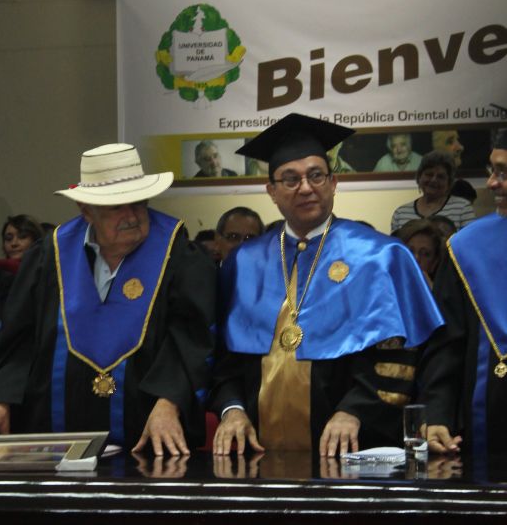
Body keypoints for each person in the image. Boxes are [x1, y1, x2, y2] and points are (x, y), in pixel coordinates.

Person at [212, 114, 443, 458]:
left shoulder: (380, 256)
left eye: (316, 175)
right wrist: (232, 409)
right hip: (256, 454)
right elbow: (220, 356)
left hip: (350, 451)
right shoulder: (243, 262)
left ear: (334, 182)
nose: (305, 187)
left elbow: (399, 357)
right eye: (290, 179)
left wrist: (355, 411)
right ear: (271, 191)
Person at [0, 143, 216, 455]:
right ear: (86, 210)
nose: (132, 216)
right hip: (56, 435)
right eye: (116, 207)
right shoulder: (50, 256)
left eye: (138, 203)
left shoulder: (178, 255)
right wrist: (0, 402)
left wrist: (170, 401)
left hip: (150, 436)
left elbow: (190, 340)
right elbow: (19, 341)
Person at [418, 130, 507, 457]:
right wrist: (437, 413)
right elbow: (446, 346)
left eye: (504, 173)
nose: (493, 183)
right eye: (493, 170)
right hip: (489, 428)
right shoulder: (466, 247)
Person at [390, 150, 476, 233]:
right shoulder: (400, 213)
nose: (434, 180)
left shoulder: (463, 209)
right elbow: (396, 247)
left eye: (440, 177)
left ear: (449, 182)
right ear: (419, 177)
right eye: (429, 174)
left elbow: (469, 244)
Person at [0, 214, 43, 299]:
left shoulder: (45, 275)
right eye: (8, 238)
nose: (14, 243)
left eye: (22, 237)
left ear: (36, 240)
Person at [395, 219, 442, 286]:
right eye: (410, 251)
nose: (416, 259)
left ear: (434, 263)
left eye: (425, 254)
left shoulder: (436, 293)